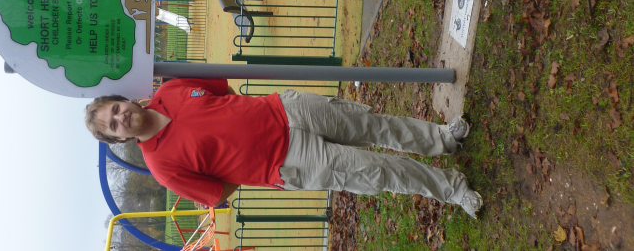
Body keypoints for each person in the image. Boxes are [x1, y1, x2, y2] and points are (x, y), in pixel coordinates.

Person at [85, 78, 483, 218]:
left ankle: (443, 139)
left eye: (116, 109)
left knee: (371, 123)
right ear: (119, 139)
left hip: (286, 109)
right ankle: (453, 189)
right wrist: (250, 159)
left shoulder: (170, 90)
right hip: (291, 162)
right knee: (379, 171)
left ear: (125, 100)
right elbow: (218, 193)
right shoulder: (162, 167)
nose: (121, 118)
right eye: (114, 125)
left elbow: (223, 92)